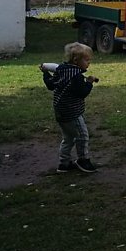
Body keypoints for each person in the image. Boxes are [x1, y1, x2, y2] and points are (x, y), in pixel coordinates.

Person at [41, 42, 99, 173]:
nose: (89, 63)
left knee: (68, 138)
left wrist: (45, 73)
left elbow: (51, 85)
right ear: (76, 60)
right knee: (82, 136)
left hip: (60, 111)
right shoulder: (76, 76)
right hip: (72, 113)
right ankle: (83, 160)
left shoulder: (62, 70)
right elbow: (82, 92)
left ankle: (64, 164)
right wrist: (89, 83)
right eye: (87, 60)